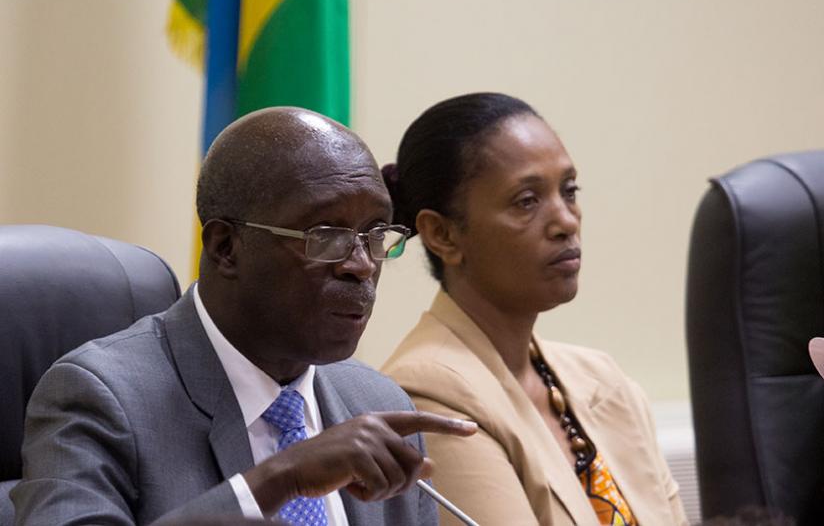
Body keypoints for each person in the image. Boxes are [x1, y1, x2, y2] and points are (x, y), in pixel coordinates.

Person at [11, 107, 476, 525]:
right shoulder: (101, 396)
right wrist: (277, 481)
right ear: (226, 248)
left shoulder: (375, 400)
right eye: (325, 235)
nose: (361, 265)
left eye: (376, 234)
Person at [381, 92, 688, 526]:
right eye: (526, 200)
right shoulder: (427, 394)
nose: (566, 221)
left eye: (570, 191)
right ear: (442, 234)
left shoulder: (602, 378)